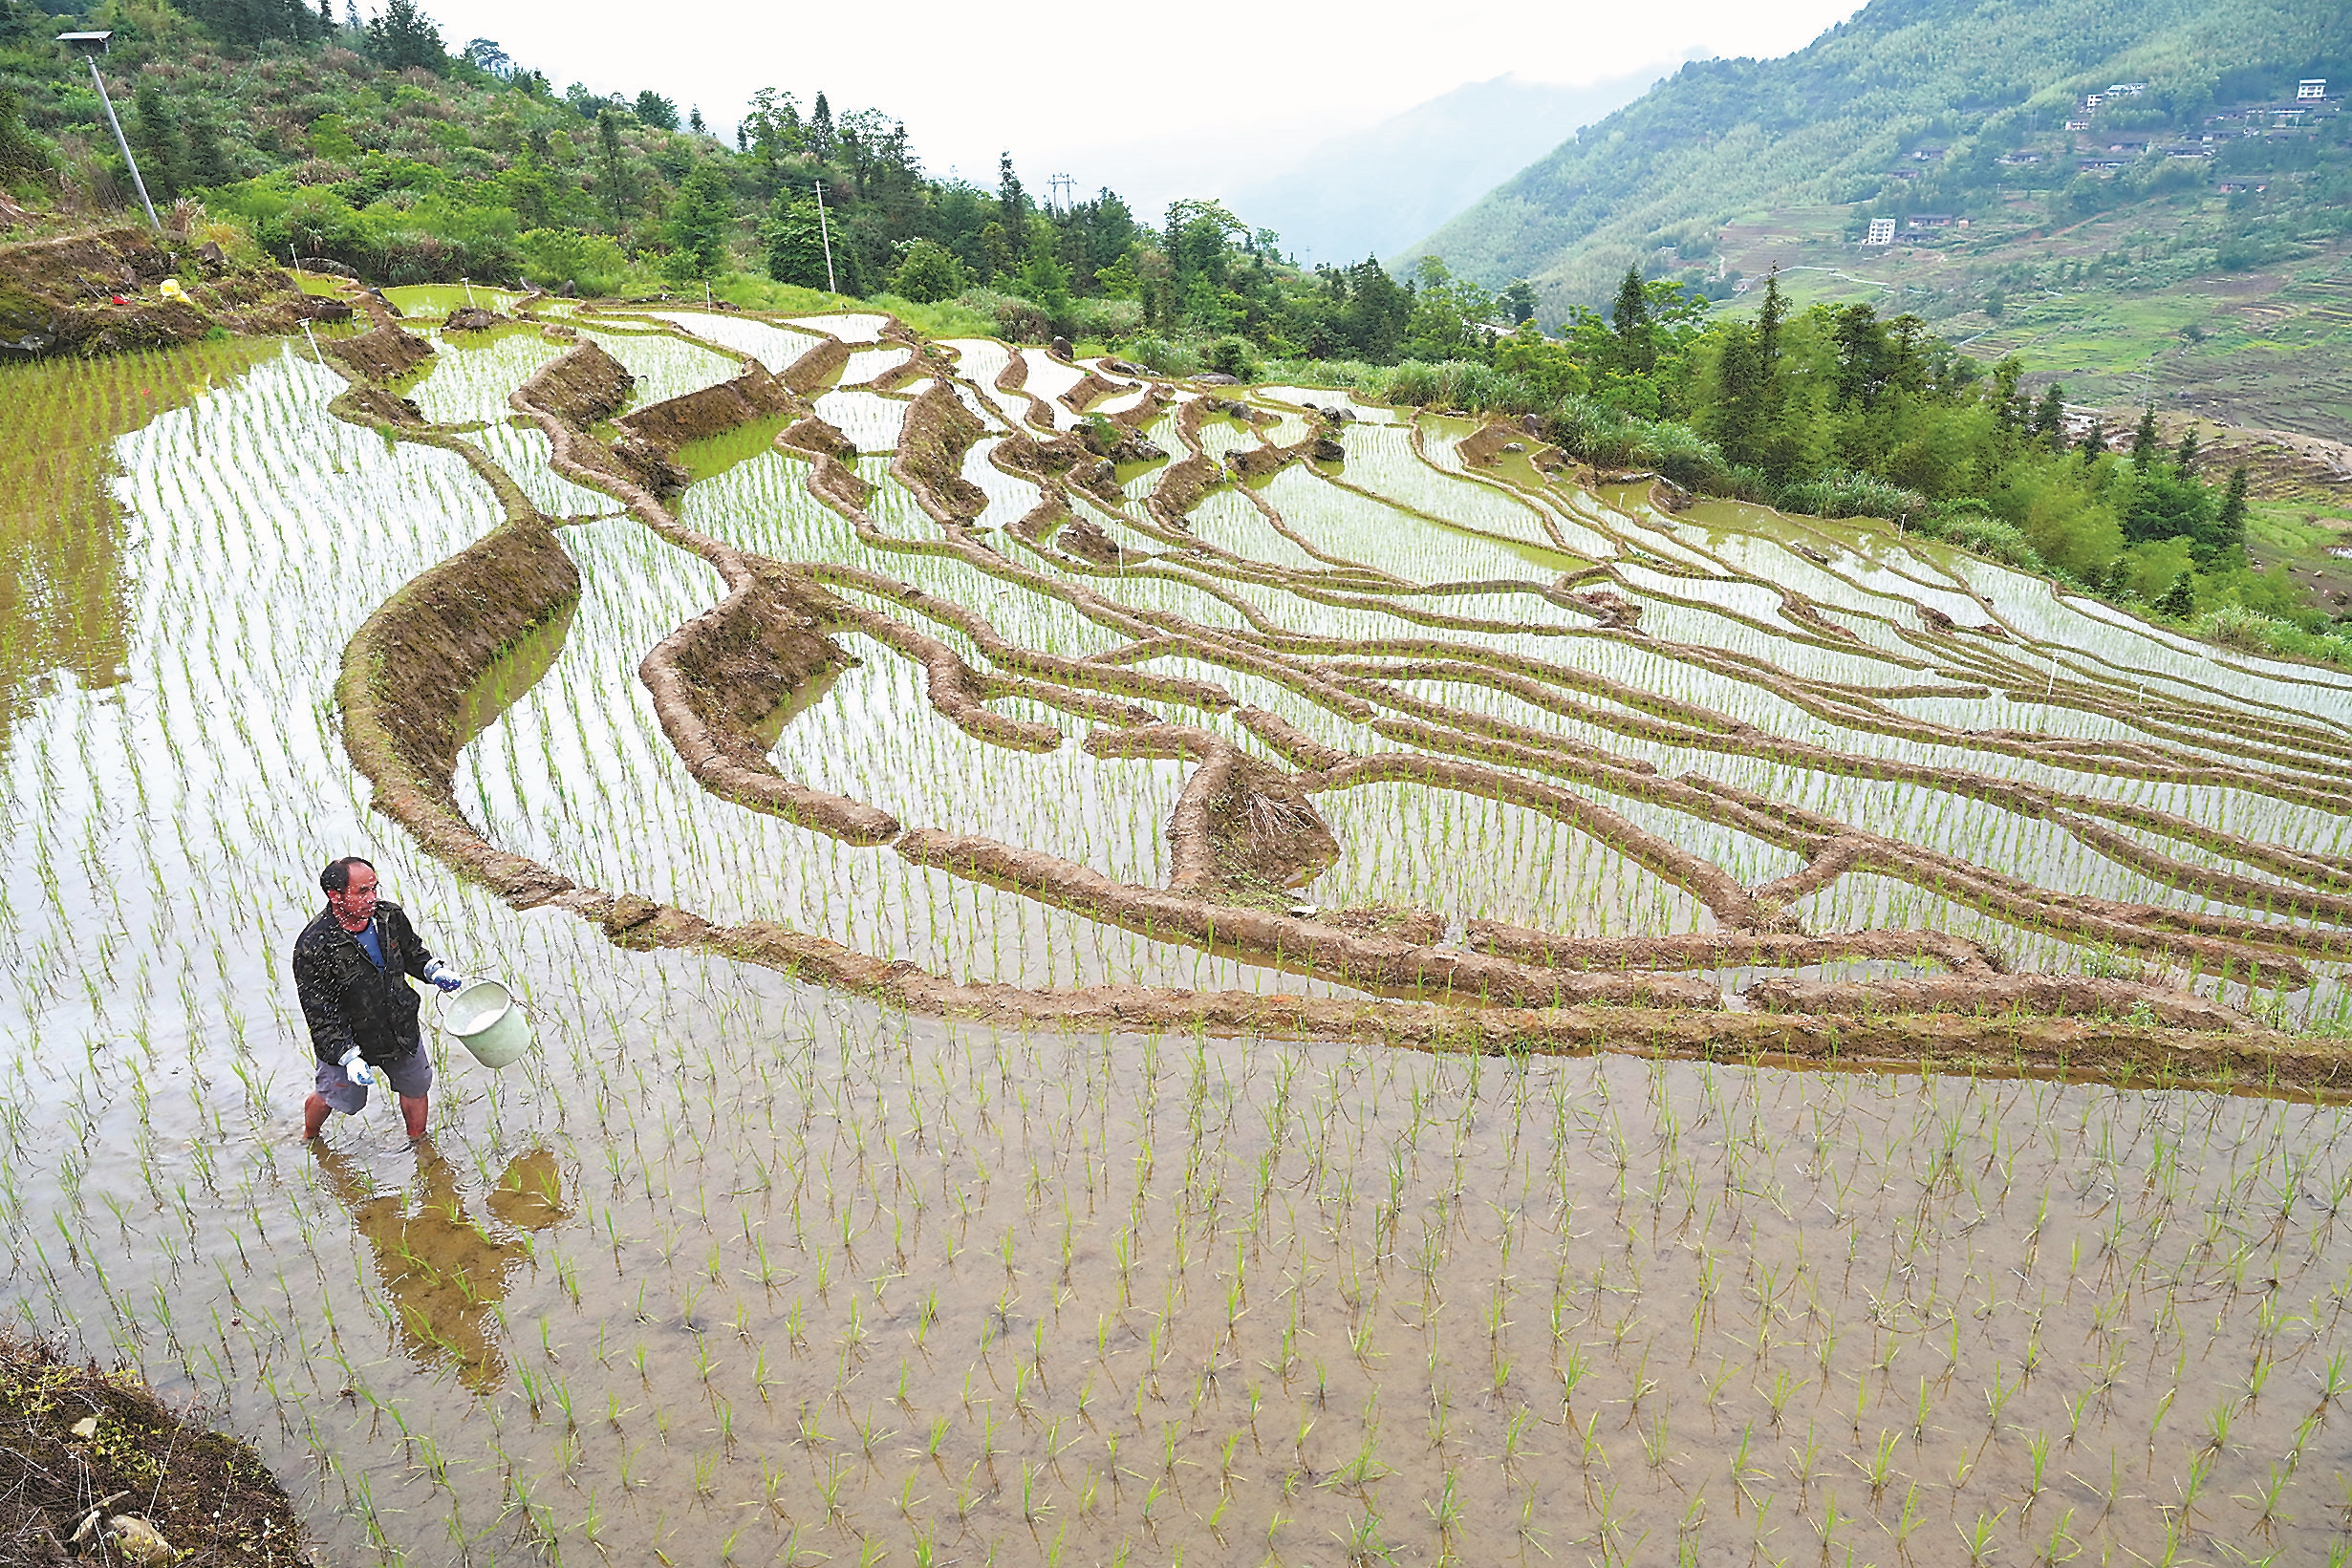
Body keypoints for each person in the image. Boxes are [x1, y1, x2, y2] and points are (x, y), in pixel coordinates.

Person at [293, 856, 468, 1141]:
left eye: (374, 888)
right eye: (362, 892)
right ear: (335, 895)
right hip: (348, 1036)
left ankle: (419, 1145)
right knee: (334, 1096)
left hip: (398, 1026)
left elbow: (412, 953)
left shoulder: (389, 917)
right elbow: (320, 1013)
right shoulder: (313, 946)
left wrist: (433, 971)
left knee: (416, 1086)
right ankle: (309, 1135)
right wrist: (347, 1056)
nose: (372, 898)